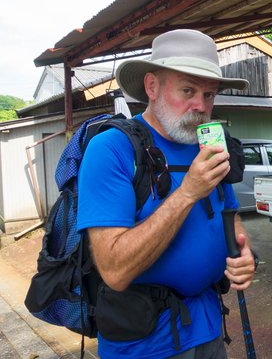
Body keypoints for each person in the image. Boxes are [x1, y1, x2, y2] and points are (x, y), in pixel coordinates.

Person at [77, 29, 256, 359]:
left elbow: (230, 218)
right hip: (144, 345)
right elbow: (115, 271)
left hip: (209, 329)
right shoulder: (111, 149)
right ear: (151, 86)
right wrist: (188, 192)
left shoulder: (210, 145)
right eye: (188, 90)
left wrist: (243, 254)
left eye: (209, 94)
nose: (200, 106)